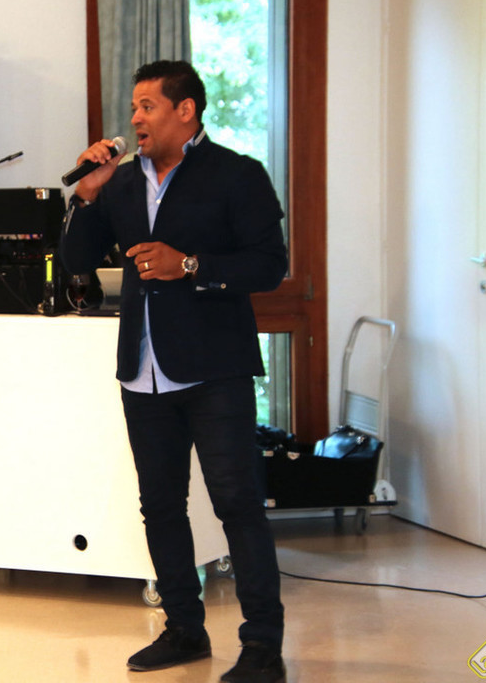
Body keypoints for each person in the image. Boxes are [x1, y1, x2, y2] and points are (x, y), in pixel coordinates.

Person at [59, 60, 287, 683]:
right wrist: (87, 194)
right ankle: (185, 628)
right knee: (160, 506)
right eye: (133, 107)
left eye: (147, 106)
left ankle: (262, 645)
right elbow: (75, 262)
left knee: (238, 504)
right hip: (143, 370)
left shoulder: (237, 175)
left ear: (185, 111)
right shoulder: (122, 183)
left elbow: (269, 265)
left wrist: (189, 265)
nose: (135, 118)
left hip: (215, 371)